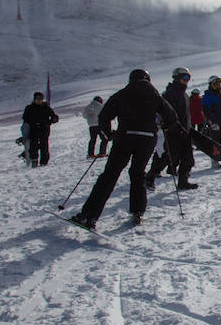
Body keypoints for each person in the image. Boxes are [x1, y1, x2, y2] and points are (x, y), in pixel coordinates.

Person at [70, 70, 182, 229]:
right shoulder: (155, 95)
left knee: (110, 174)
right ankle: (138, 212)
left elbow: (104, 116)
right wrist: (161, 126)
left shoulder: (123, 93)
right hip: (148, 139)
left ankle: (89, 215)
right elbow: (172, 118)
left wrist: (109, 134)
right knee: (138, 173)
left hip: (125, 137)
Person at [22, 92, 60, 166]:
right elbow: (25, 118)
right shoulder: (29, 108)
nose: (38, 101)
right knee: (33, 145)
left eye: (40, 99)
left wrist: (51, 121)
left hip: (44, 129)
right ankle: (34, 160)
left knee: (44, 145)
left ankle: (44, 162)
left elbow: (54, 117)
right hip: (33, 129)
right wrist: (29, 123)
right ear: (34, 99)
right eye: (37, 99)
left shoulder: (46, 108)